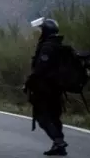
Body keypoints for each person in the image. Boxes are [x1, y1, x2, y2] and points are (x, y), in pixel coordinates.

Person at [25, 17, 68, 156]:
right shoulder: (58, 44)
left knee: (43, 116)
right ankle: (59, 145)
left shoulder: (47, 47)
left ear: (46, 31)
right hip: (56, 87)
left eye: (41, 29)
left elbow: (40, 69)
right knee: (55, 116)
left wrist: (29, 82)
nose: (39, 32)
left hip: (45, 88)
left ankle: (58, 140)